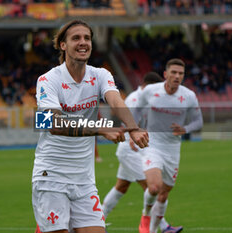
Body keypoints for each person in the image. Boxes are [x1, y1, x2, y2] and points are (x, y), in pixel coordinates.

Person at [32, 19, 149, 233]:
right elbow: (53, 124)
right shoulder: (48, 80)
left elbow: (115, 101)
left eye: (87, 38)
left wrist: (133, 128)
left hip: (84, 179)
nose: (83, 42)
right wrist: (100, 128)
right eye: (76, 38)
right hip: (52, 177)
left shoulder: (101, 75)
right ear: (63, 45)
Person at [102, 72, 183, 232]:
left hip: (133, 150)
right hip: (130, 150)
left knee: (121, 187)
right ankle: (163, 226)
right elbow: (130, 125)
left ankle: (99, 219)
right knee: (152, 188)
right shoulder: (135, 99)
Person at [133, 59, 203, 233]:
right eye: (173, 72)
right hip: (152, 144)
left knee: (164, 194)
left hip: (172, 149)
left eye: (180, 73)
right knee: (154, 187)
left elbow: (199, 121)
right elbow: (136, 110)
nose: (177, 76)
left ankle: (153, 229)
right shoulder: (150, 91)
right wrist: (133, 131)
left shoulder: (188, 96)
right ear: (165, 74)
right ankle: (145, 214)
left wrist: (185, 129)